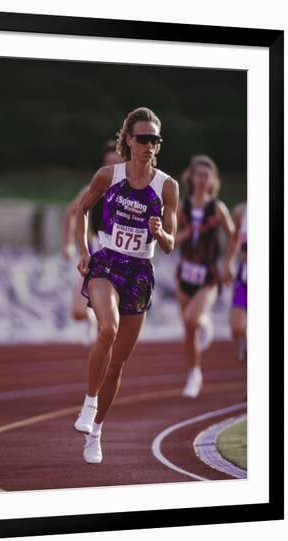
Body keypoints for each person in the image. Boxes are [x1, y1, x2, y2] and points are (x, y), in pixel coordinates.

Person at [73, 107, 179, 463]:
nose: (149, 145)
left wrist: (160, 232)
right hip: (107, 262)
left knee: (118, 363)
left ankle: (97, 432)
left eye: (155, 140)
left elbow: (170, 244)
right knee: (107, 329)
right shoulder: (108, 176)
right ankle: (88, 403)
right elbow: (81, 211)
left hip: (139, 272)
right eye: (143, 138)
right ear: (129, 140)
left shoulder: (167, 186)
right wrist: (83, 251)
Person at [175, 155, 235, 398]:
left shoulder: (217, 209)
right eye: (197, 174)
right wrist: (186, 233)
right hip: (185, 273)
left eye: (205, 175)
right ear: (191, 177)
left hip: (208, 276)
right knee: (188, 330)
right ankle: (194, 374)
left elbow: (234, 236)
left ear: (212, 180)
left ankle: (206, 323)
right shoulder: (183, 207)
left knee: (192, 319)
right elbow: (171, 238)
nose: (201, 179)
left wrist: (228, 263)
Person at [62, 141, 121, 341]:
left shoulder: (132, 192)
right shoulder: (93, 189)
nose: (111, 169)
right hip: (95, 257)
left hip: (121, 263)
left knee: (111, 321)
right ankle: (92, 320)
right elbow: (70, 213)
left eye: (117, 164)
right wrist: (68, 244)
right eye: (108, 164)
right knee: (78, 311)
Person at [227, 201, 247, 362]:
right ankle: (244, 338)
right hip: (245, 274)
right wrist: (229, 263)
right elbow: (234, 241)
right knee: (236, 328)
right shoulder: (241, 211)